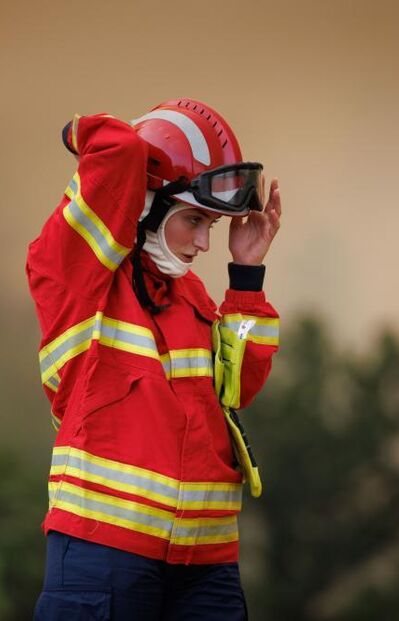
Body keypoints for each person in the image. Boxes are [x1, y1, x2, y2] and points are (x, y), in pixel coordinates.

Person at [26, 98, 282, 620]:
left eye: (212, 223)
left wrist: (247, 276)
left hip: (206, 564)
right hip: (103, 556)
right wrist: (88, 132)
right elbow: (116, 150)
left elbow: (238, 390)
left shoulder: (192, 297)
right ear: (145, 204)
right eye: (194, 220)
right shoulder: (80, 283)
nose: (205, 242)